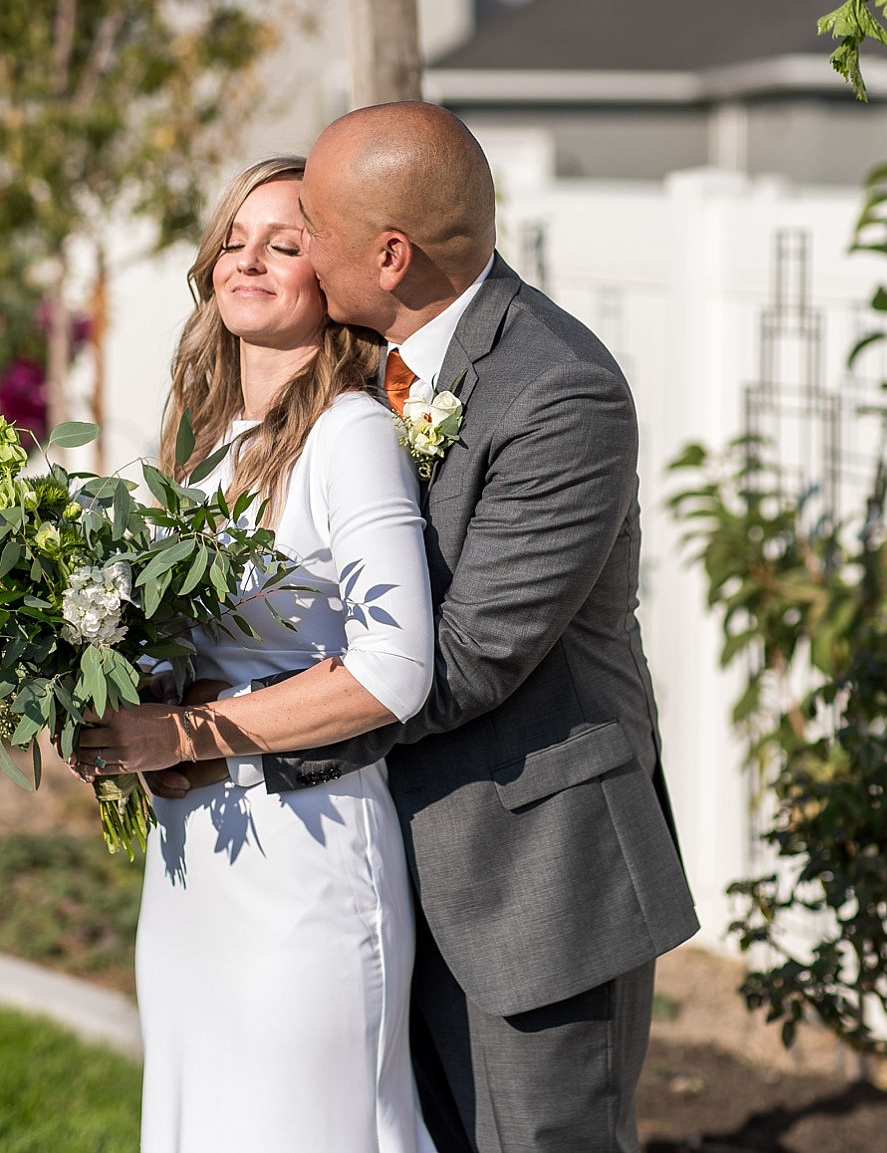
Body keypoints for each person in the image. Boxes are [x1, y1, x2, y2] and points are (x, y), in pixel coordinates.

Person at [128, 105, 698, 1153]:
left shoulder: (558, 390)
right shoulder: (367, 374)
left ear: (386, 255)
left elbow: (466, 659)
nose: (277, 249)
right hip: (392, 857)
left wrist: (226, 745)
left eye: (313, 230)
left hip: (531, 874)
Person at [77, 156, 440, 1152]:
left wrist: (183, 727)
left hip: (305, 856)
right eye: (234, 242)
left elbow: (393, 668)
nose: (250, 260)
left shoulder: (349, 435)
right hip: (195, 863)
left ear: (331, 280)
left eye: (284, 245)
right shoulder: (199, 445)